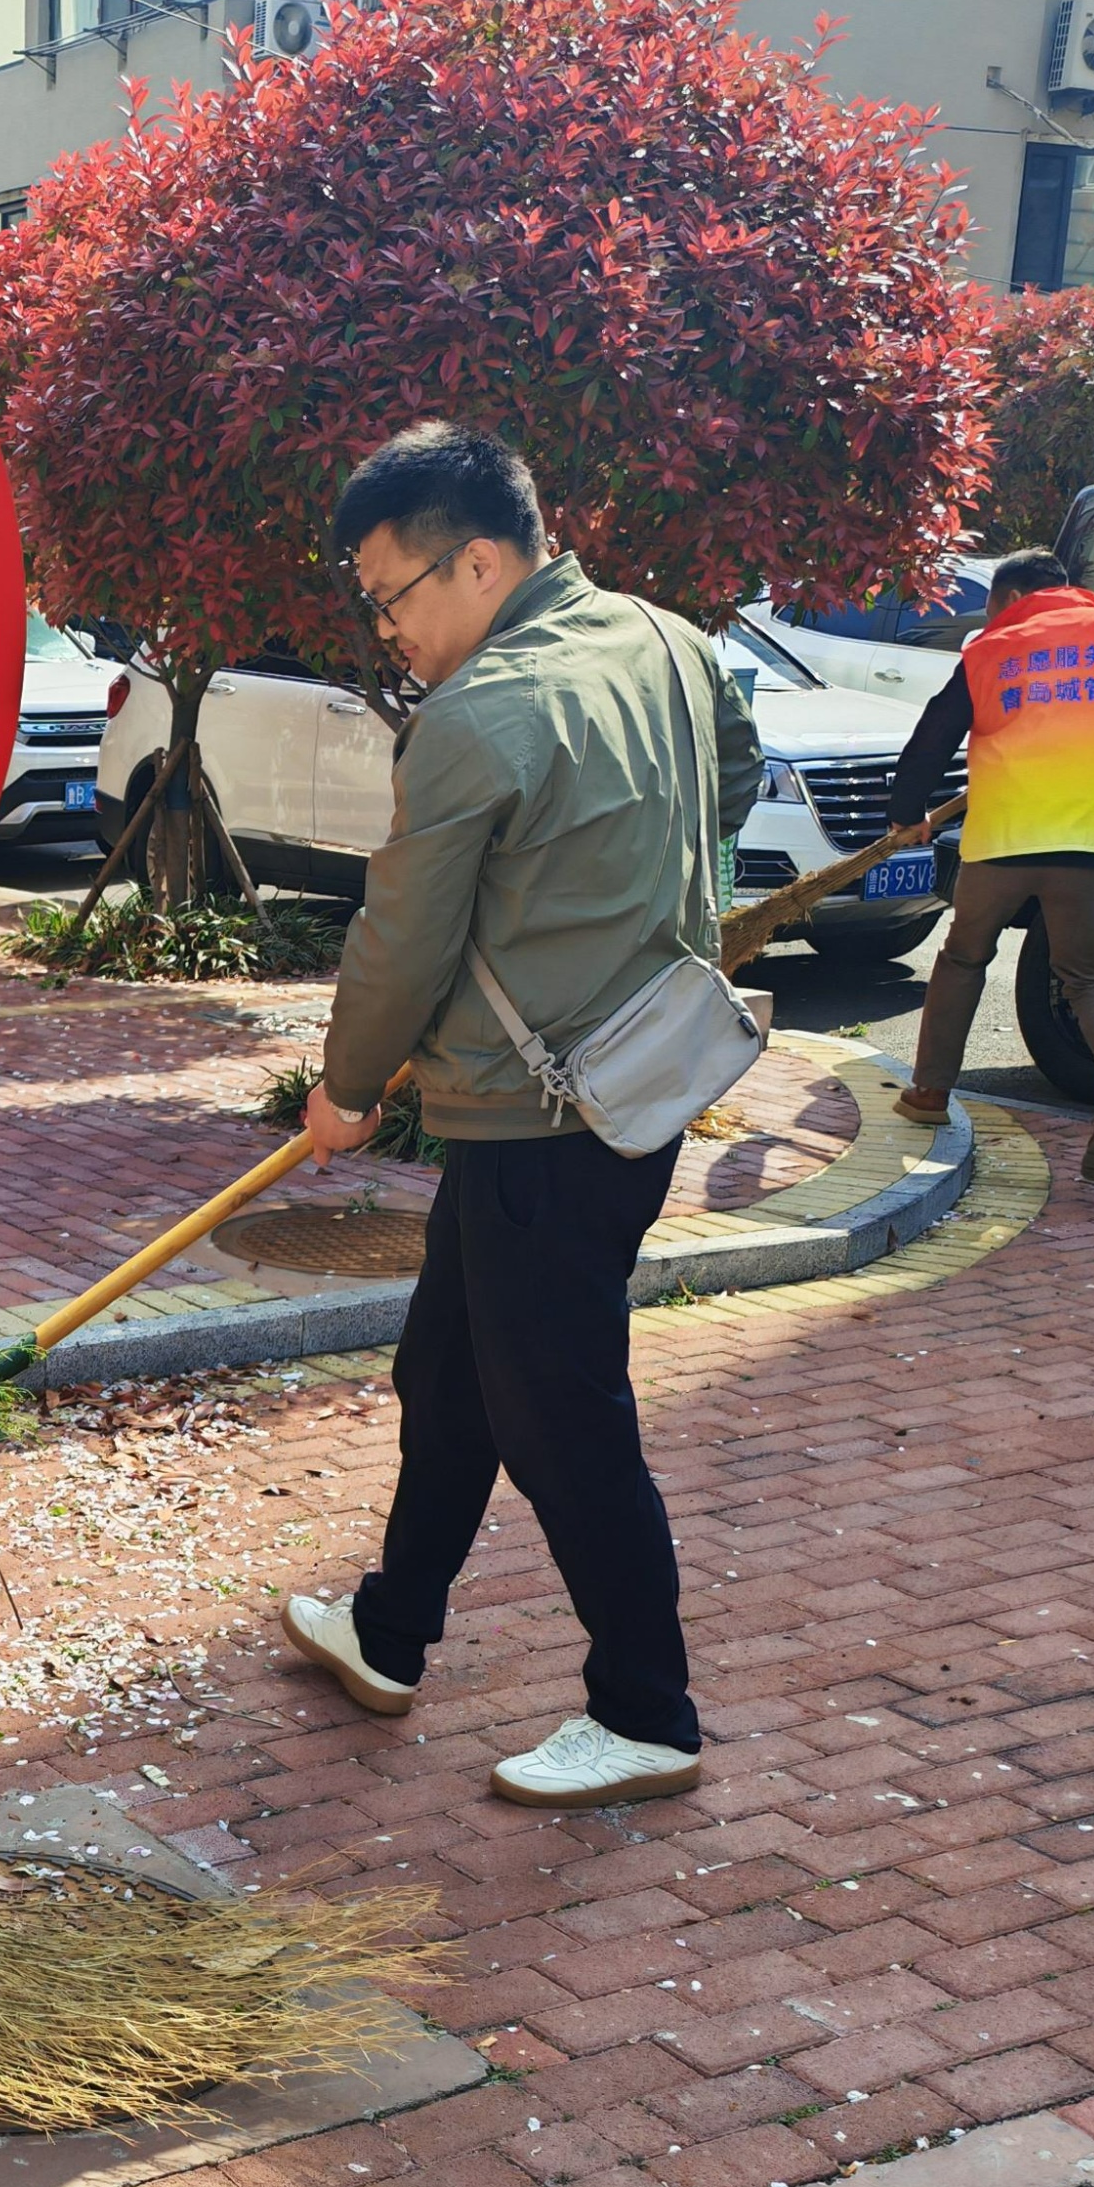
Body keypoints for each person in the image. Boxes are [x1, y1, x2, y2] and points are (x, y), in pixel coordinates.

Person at [277, 421, 753, 1812]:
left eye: (393, 596)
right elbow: (731, 772)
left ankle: (646, 1714)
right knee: (450, 1374)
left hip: (540, 1115)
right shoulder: (666, 640)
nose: (388, 630)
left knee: (559, 1418)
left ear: (479, 562)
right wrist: (645, 907)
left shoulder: (479, 714)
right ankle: (389, 1629)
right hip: (632, 1085)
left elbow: (402, 939)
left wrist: (347, 1089)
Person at [882, 548, 1094, 1184]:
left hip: (1001, 839)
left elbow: (934, 734)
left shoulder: (990, 648)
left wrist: (908, 813)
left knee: (962, 959)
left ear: (1012, 597)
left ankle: (928, 1092)